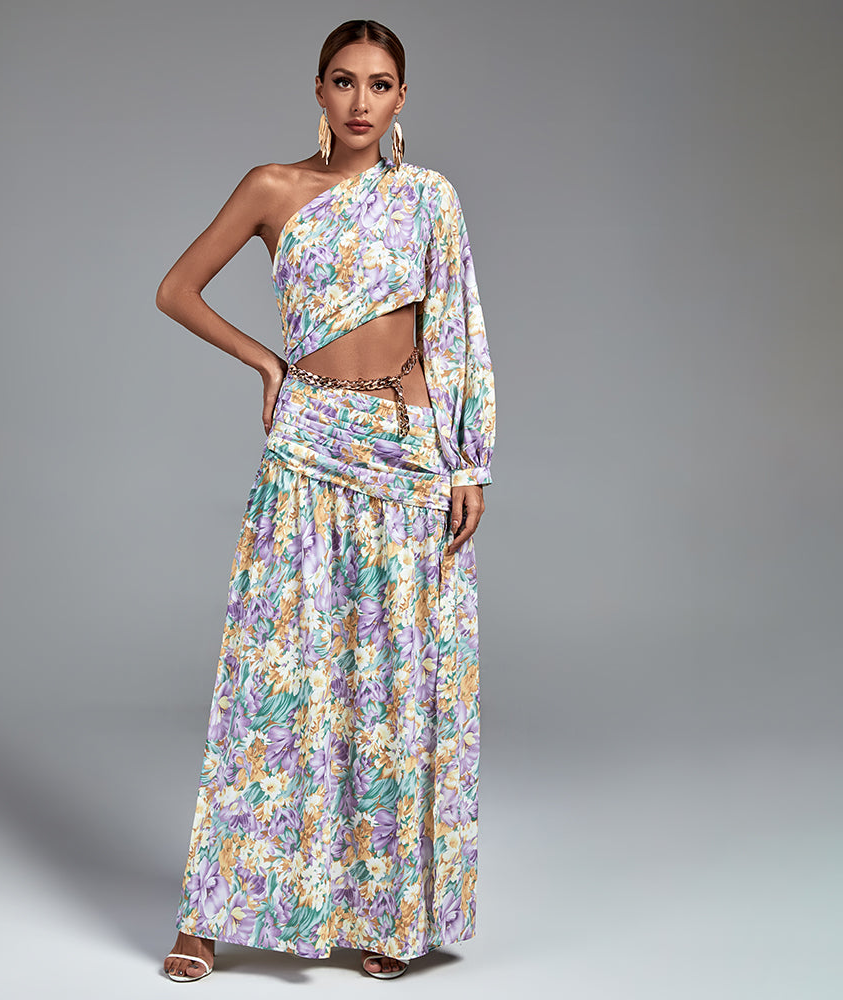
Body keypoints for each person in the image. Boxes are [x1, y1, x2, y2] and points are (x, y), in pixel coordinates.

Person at [155, 18, 495, 982]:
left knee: (393, 684)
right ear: (317, 90)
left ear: (401, 99)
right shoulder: (273, 187)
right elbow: (178, 289)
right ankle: (209, 915)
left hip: (406, 449)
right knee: (276, 676)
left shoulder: (428, 198)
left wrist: (467, 461)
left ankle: (385, 913)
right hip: (307, 441)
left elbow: (456, 328)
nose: (360, 101)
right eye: (344, 81)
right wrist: (267, 361)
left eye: (380, 85)